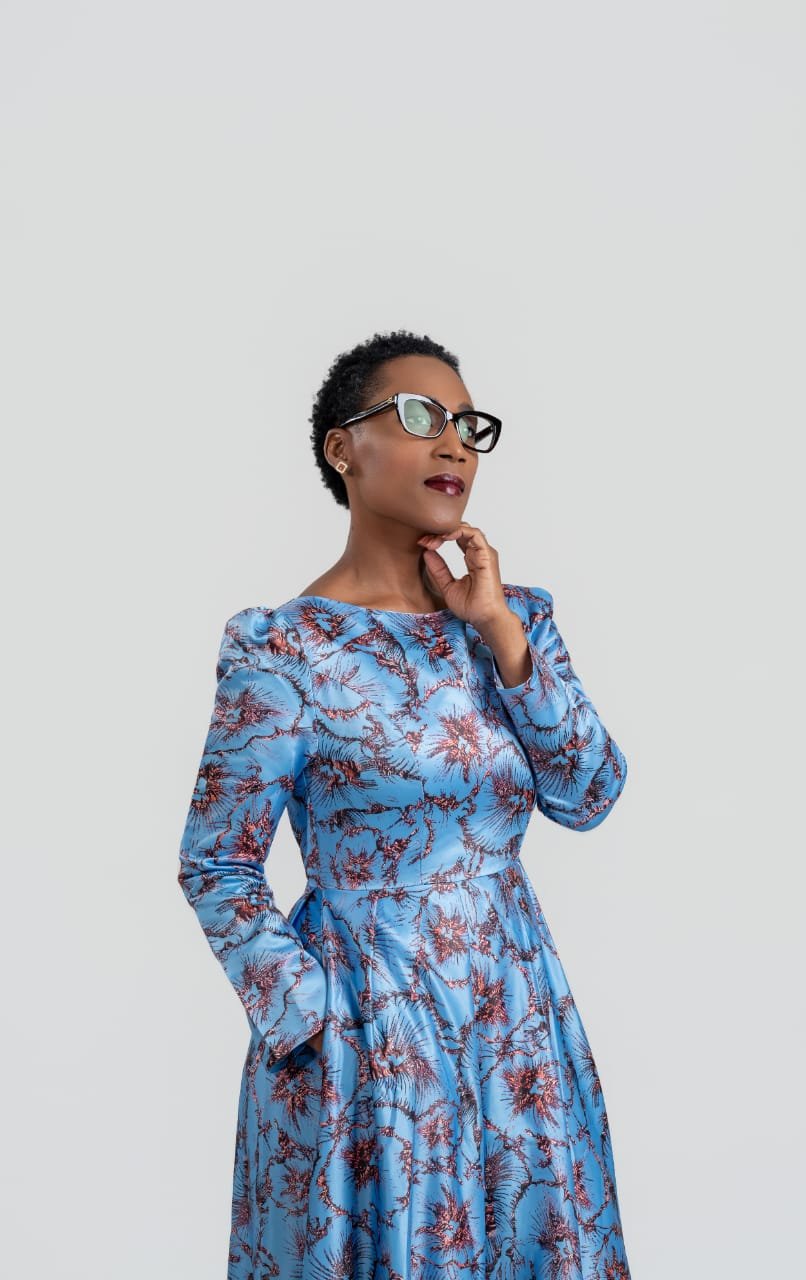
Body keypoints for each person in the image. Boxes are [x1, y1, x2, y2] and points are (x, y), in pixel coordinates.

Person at [177, 329, 632, 1279]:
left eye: (467, 425)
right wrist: (309, 1017)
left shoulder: (513, 621)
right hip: (365, 1026)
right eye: (420, 417)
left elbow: (588, 794)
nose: (454, 444)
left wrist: (499, 628)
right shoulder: (284, 649)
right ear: (343, 449)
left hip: (516, 1019)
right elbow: (216, 860)